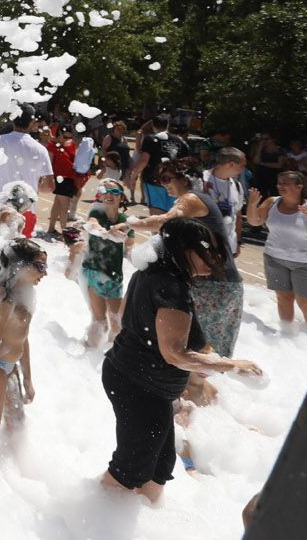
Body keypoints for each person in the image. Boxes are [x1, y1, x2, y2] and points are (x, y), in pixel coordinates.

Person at [100, 219, 262, 501]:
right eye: (205, 250)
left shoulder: (149, 272)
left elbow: (123, 320)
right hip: (139, 384)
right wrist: (232, 366)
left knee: (160, 466)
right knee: (132, 467)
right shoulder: (171, 287)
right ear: (182, 250)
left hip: (139, 380)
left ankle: (137, 523)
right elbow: (174, 353)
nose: (213, 259)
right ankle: (92, 523)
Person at [128, 165, 245, 399]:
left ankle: (195, 425)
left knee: (195, 359)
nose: (164, 184)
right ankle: (215, 414)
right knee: (196, 360)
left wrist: (128, 224)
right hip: (214, 283)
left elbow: (166, 222)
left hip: (215, 286)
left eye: (167, 177)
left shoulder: (192, 198)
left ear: (186, 178)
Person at [0, 238, 46, 440]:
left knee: (16, 424)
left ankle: (9, 466)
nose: (45, 272)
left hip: (10, 365)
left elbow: (23, 339)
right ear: (19, 266)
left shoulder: (26, 295)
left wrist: (28, 378)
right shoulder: (4, 299)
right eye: (40, 266)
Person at [245, 171, 307, 334]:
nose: (280, 186)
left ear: (299, 187)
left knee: (306, 303)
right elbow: (254, 221)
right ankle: (288, 337)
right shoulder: (272, 202)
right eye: (279, 183)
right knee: (283, 299)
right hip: (274, 258)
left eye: (285, 183)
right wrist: (252, 204)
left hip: (305, 262)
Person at [80, 183, 134, 347]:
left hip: (114, 276)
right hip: (94, 272)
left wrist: (140, 258)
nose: (109, 194)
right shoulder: (97, 212)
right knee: (100, 321)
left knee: (117, 322)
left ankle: (110, 356)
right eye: (104, 191)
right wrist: (105, 234)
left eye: (114, 191)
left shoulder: (125, 220)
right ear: (100, 196)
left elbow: (130, 247)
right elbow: (91, 224)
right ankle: (89, 355)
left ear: (121, 196)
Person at [0, 109, 54, 206]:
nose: (40, 128)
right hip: (24, 207)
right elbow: (48, 187)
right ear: (32, 122)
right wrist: (31, 186)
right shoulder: (41, 149)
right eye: (40, 125)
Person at [129, 115, 186, 213]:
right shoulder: (180, 141)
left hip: (154, 180)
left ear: (153, 126)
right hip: (174, 182)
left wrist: (133, 176)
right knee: (172, 213)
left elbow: (144, 161)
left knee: (157, 213)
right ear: (167, 125)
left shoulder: (150, 139)